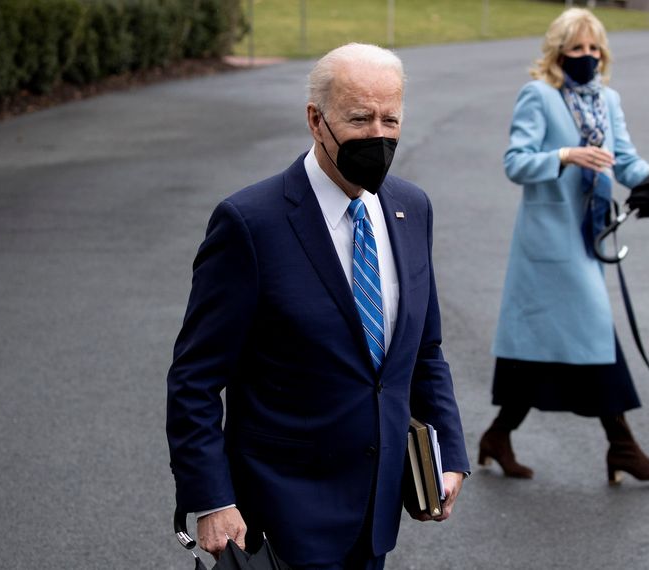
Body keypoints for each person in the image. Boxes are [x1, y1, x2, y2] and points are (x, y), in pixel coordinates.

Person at [166, 43, 469, 570]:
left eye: (390, 118)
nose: (378, 134)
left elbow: (425, 351)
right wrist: (212, 499)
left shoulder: (411, 208)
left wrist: (449, 457)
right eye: (359, 117)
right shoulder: (250, 223)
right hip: (279, 517)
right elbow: (193, 378)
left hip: (376, 516)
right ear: (316, 120)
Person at [479, 8, 649, 484]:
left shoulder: (607, 100)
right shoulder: (539, 96)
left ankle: (497, 435)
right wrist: (565, 155)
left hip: (586, 237)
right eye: (576, 48)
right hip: (547, 245)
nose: (586, 56)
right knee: (592, 334)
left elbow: (623, 160)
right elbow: (516, 164)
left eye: (593, 48)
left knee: (544, 345)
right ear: (558, 52)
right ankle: (623, 447)